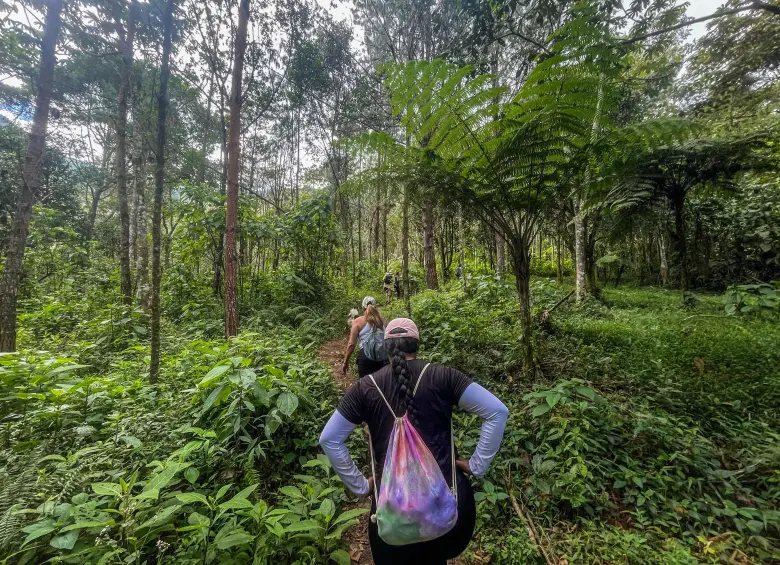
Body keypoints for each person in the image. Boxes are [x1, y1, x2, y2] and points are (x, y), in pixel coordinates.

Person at [321, 318, 508, 565]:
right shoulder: (443, 376)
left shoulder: (365, 388)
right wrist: (476, 465)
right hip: (447, 506)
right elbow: (497, 412)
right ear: (417, 344)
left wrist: (360, 486)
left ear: (386, 347)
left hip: (392, 512)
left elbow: (329, 439)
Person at [342, 296, 389, 378]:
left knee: (365, 387)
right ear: (376, 307)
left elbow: (351, 345)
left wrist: (345, 362)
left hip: (365, 358)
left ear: (363, 308)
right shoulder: (384, 321)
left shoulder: (358, 322)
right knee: (382, 387)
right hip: (382, 358)